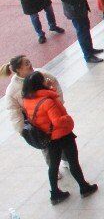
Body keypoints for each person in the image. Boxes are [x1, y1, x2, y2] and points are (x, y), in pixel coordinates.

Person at [22, 71, 97, 204]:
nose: (46, 80)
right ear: (39, 84)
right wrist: (67, 119)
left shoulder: (27, 100)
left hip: (48, 137)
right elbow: (57, 120)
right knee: (73, 161)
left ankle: (55, 193)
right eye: (43, 79)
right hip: (62, 134)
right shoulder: (47, 101)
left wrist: (50, 88)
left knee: (53, 165)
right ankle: (84, 187)